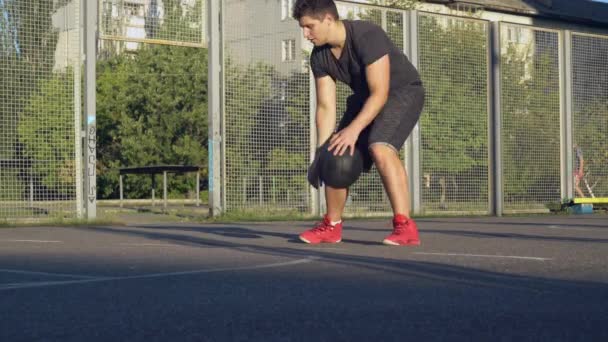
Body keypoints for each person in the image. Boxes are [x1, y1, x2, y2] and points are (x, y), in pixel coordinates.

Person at [294, 0, 425, 246]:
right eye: (302, 28)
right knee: (334, 151)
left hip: (402, 92)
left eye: (309, 27)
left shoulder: (367, 34)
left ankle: (405, 226)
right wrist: (322, 152)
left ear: (328, 20)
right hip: (367, 99)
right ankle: (331, 226)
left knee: (379, 145)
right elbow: (325, 106)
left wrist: (353, 130)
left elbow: (380, 93)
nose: (305, 34)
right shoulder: (320, 56)